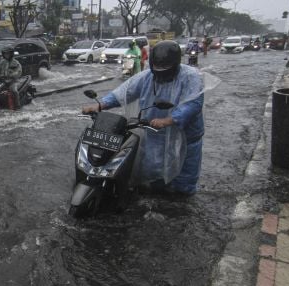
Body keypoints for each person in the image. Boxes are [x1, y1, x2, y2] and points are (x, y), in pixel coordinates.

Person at [82, 40, 205, 195]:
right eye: (157, 68)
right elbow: (124, 92)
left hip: (185, 139)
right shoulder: (146, 77)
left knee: (182, 186)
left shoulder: (191, 77)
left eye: (165, 68)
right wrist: (100, 105)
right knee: (150, 180)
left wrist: (169, 120)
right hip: (154, 135)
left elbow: (193, 104)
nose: (160, 72)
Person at [0, 45, 23, 110]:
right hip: (1, 81)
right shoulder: (1, 62)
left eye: (8, 53)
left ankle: (17, 106)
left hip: (12, 82)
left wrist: (10, 75)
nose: (6, 55)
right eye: (5, 53)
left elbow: (18, 72)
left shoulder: (16, 63)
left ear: (11, 54)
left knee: (14, 91)